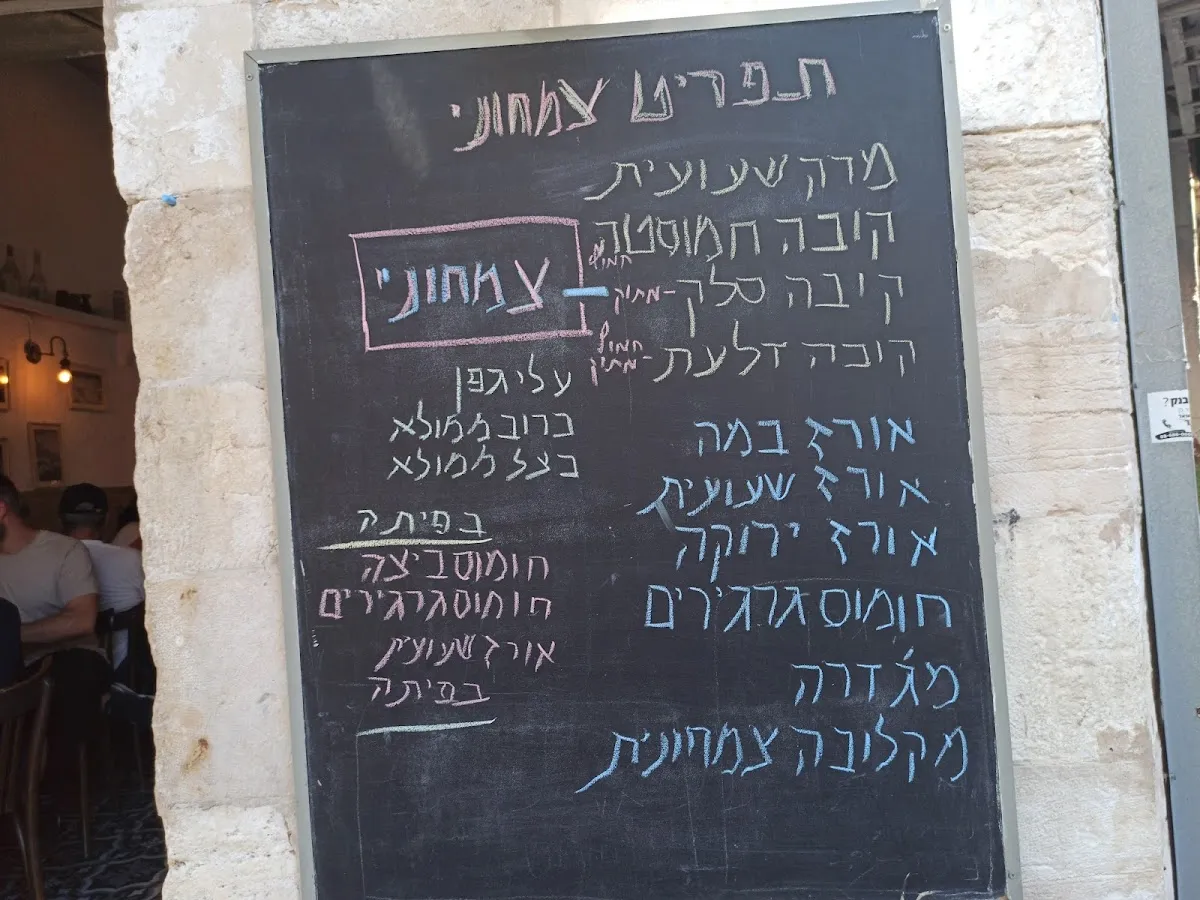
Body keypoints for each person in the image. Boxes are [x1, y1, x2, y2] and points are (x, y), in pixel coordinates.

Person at [0, 474, 107, 747]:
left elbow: (82, 620)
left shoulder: (65, 550)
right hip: (11, 668)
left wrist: (9, 635)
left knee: (76, 671)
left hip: (64, 662)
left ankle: (55, 768)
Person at [60, 483, 145, 673]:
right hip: (124, 673)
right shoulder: (132, 559)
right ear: (106, 520)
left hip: (65, 676)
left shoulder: (49, 563)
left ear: (61, 521)